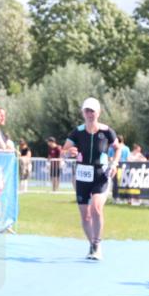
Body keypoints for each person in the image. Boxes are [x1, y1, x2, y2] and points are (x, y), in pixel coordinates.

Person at [63, 97, 119, 261]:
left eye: (92, 111)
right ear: (83, 112)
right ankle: (93, 245)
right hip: (82, 176)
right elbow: (64, 150)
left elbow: (117, 148)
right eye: (86, 110)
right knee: (85, 216)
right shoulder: (77, 132)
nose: (89, 114)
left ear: (98, 112)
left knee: (96, 208)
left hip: (101, 175)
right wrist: (68, 153)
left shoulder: (107, 131)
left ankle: (97, 243)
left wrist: (114, 163)